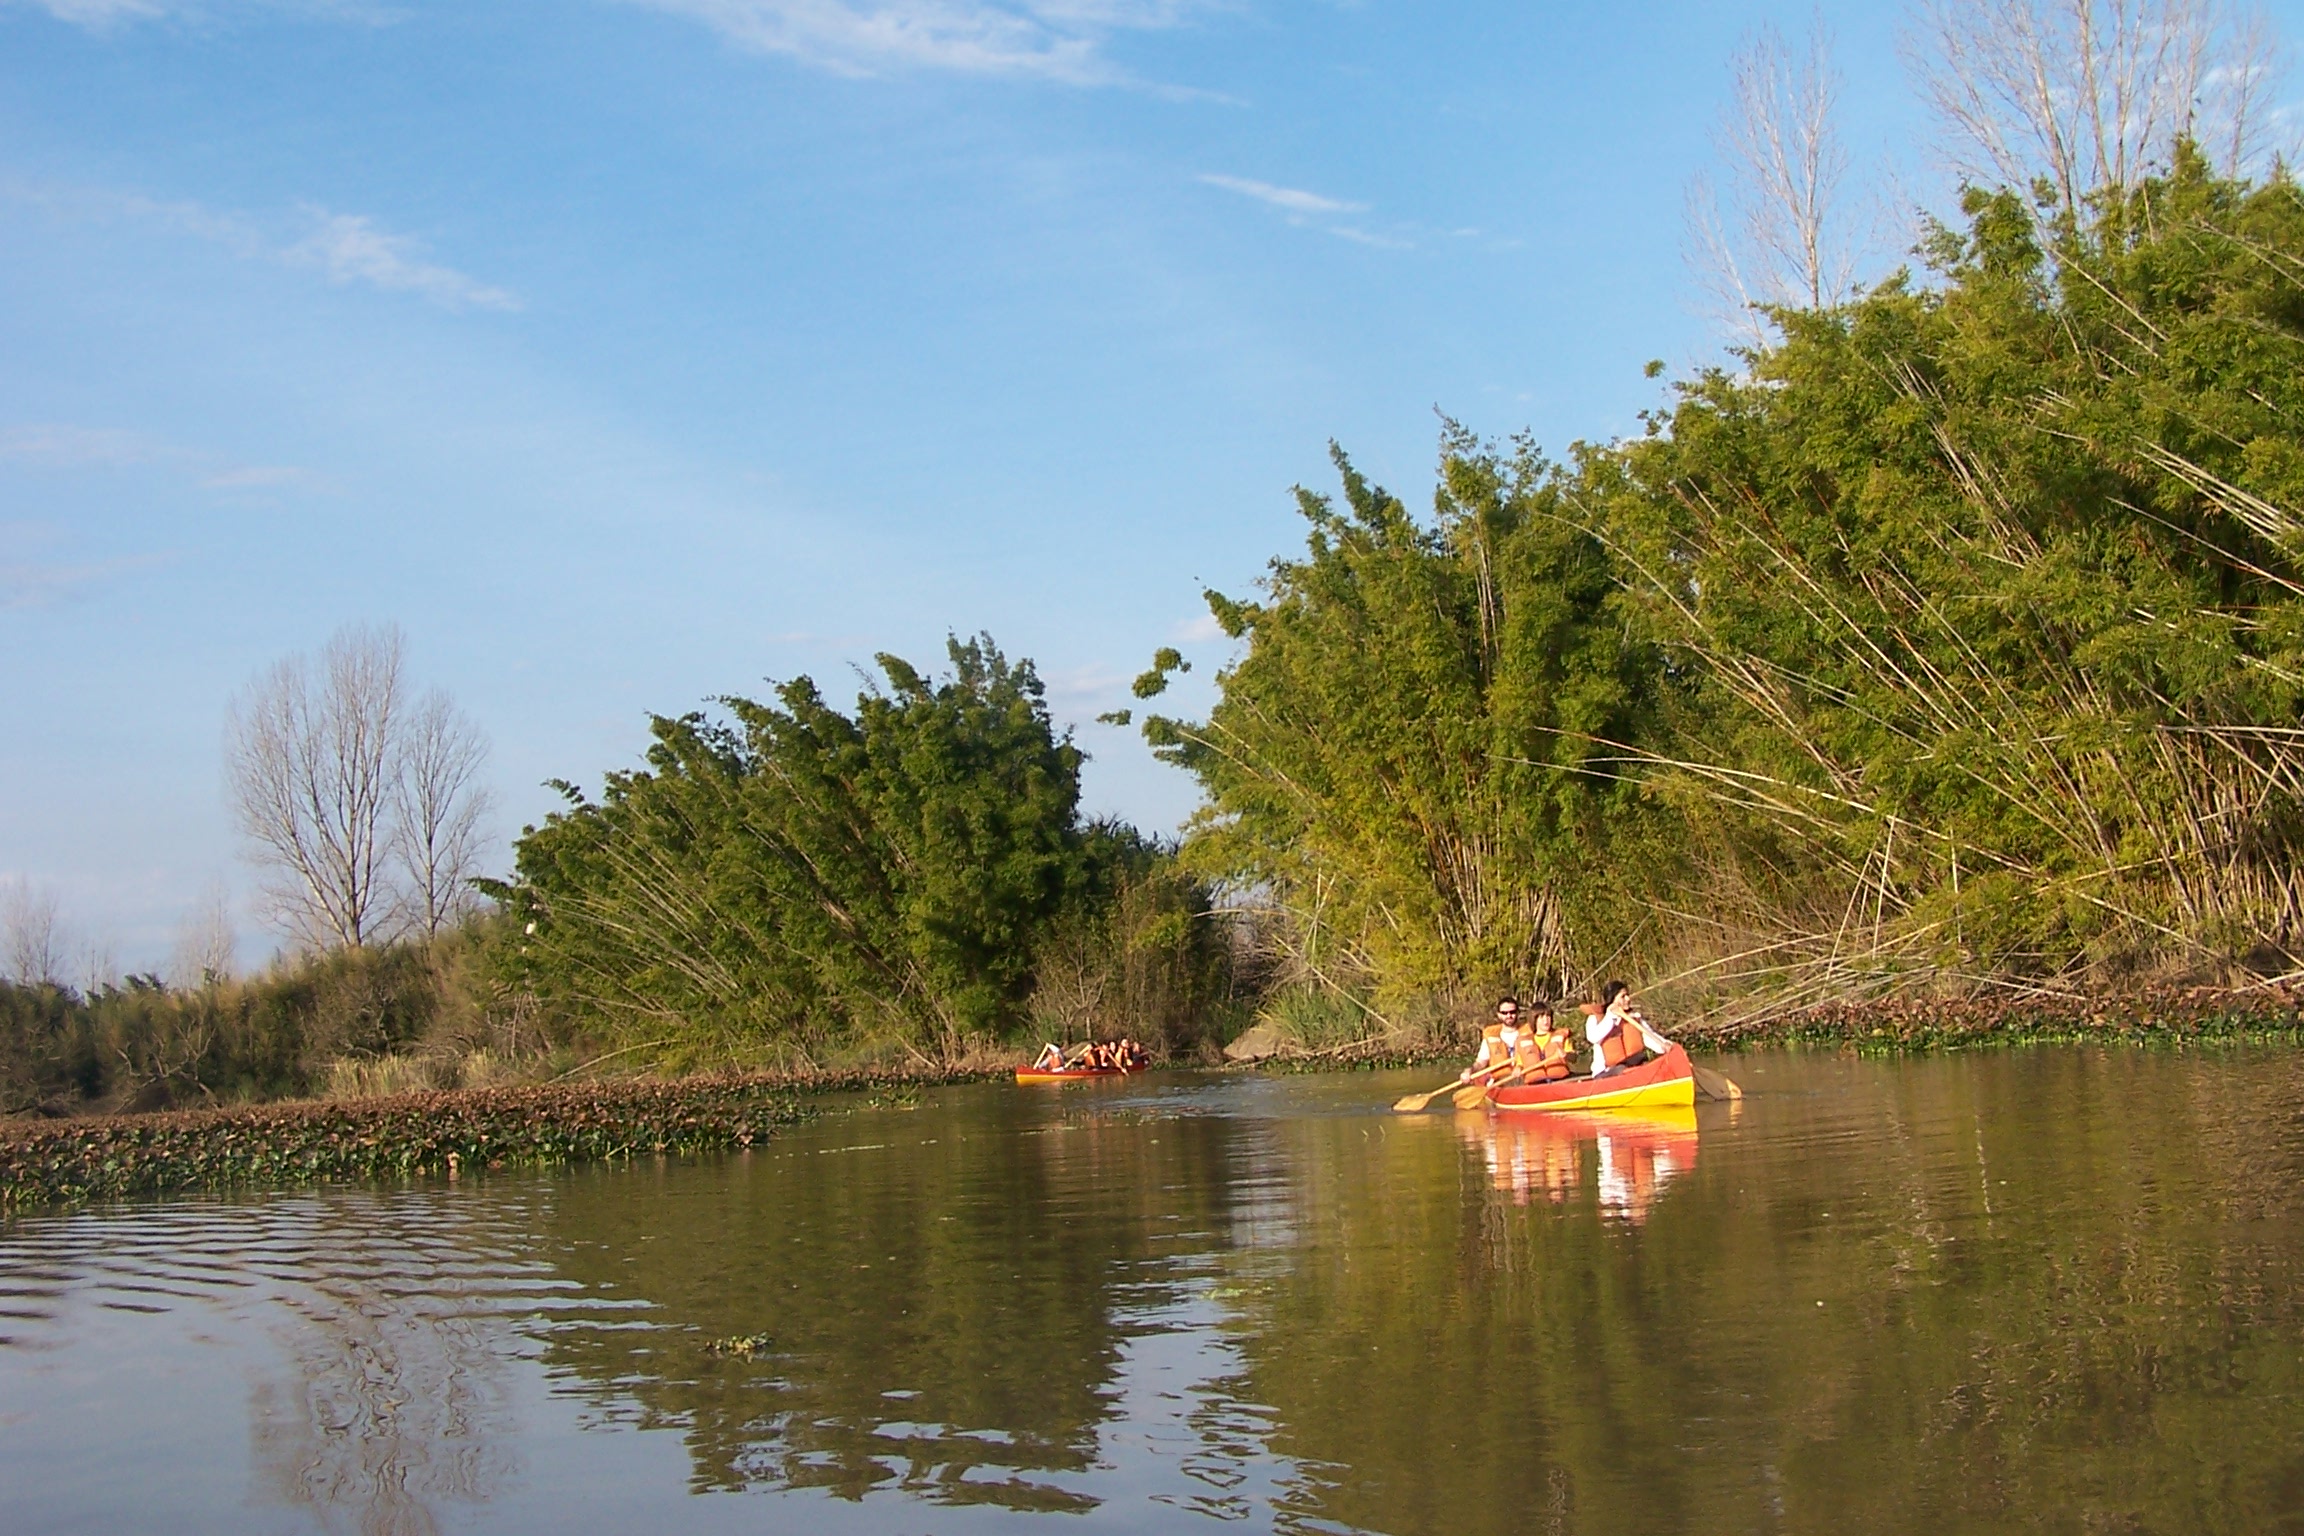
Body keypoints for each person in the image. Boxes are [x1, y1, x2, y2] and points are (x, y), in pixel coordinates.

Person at [1586, 980, 1668, 1077]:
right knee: (1622, 1070)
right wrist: (1611, 1016)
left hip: (1634, 1068)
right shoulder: (1595, 1019)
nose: (1628, 999)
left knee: (1651, 1065)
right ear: (1612, 999)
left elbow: (1651, 1038)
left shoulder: (1634, 1018)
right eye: (1623, 996)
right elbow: (1593, 1038)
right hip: (1606, 1073)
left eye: (1627, 995)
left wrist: (1666, 1046)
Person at [1462, 996, 1525, 1081]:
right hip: (1500, 1080)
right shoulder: (1490, 1037)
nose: (1509, 1015)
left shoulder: (1529, 1033)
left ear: (1518, 1013)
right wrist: (1469, 1071)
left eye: (1512, 1012)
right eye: (1504, 1013)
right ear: (1498, 1015)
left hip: (1524, 1079)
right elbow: (1480, 1063)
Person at [1514, 1001, 1575, 1083]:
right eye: (1541, 1017)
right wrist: (1518, 1068)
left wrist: (1565, 1055)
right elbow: (1520, 1063)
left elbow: (1574, 1058)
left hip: (1560, 1080)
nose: (1546, 1020)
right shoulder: (1524, 1041)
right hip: (1536, 1083)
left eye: (1548, 1016)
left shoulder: (1561, 1036)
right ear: (1534, 1019)